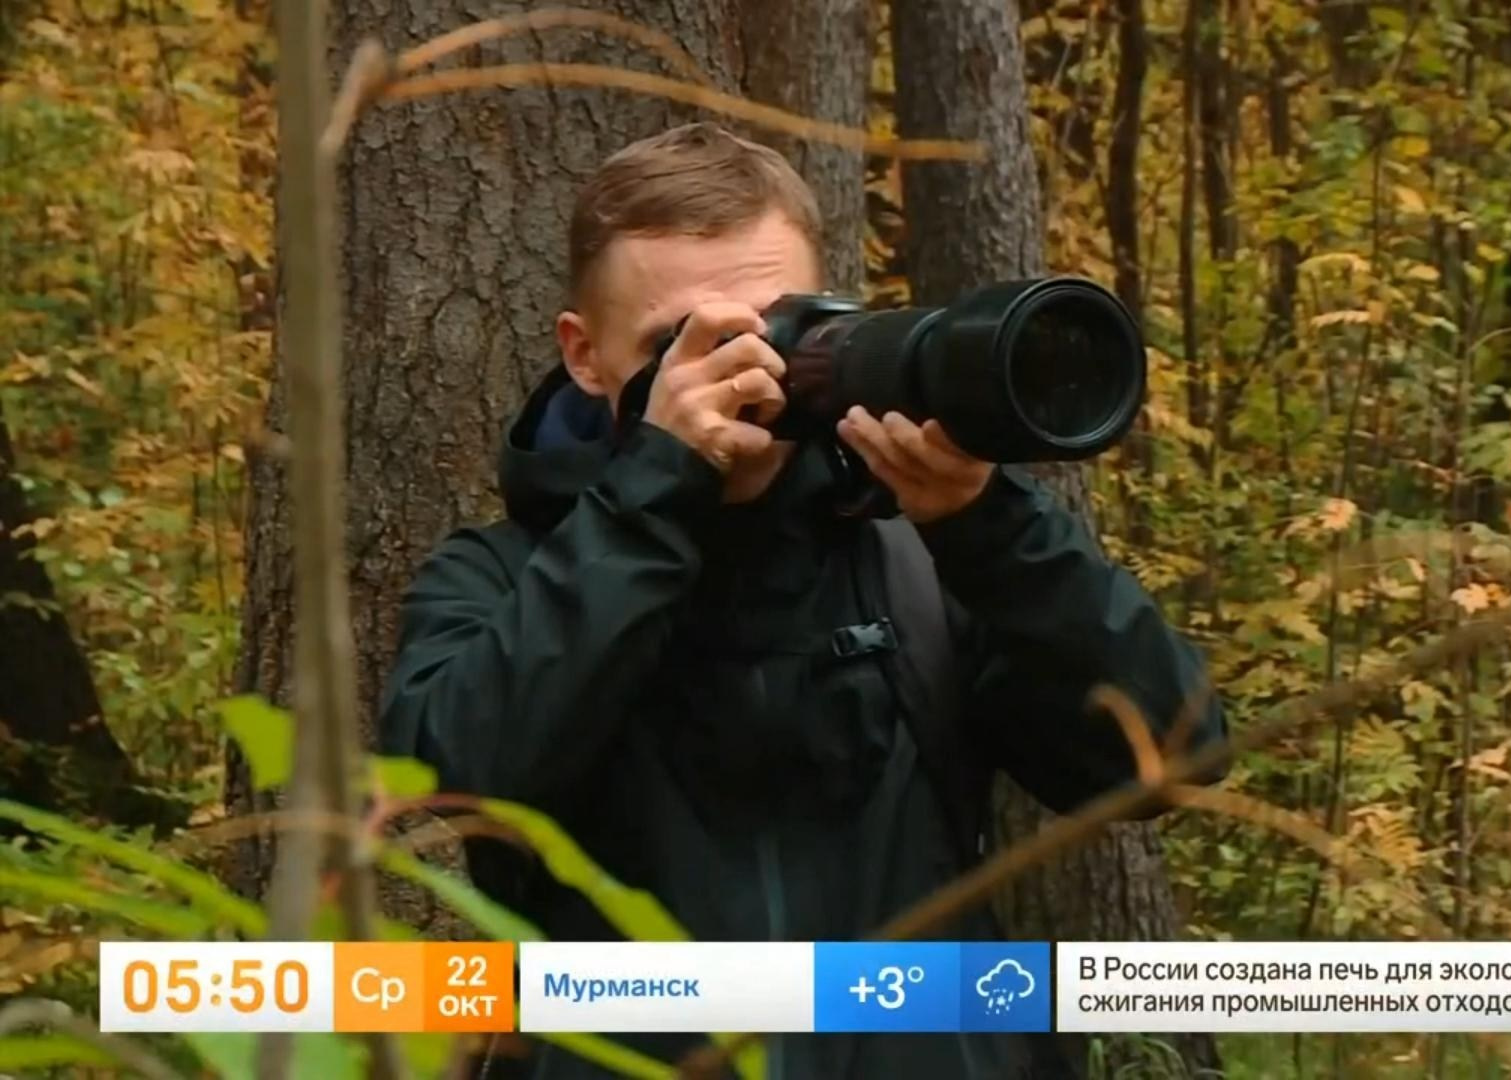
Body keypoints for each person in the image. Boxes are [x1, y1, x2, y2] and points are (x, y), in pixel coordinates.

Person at [378, 122, 1227, 1080]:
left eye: (780, 328)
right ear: (585, 356)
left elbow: (1172, 757)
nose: (750, 374)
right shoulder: (502, 578)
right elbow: (447, 791)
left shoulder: (922, 566)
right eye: (684, 345)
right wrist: (657, 491)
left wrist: (991, 528)